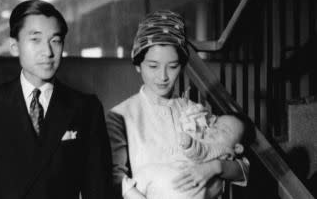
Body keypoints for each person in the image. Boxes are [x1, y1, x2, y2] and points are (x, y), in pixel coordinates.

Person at [0, 0, 112, 199]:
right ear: (14, 46)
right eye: (35, 39)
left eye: (55, 40)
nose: (48, 52)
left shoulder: (86, 108)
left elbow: (99, 191)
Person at [106, 10, 249, 199]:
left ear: (181, 66)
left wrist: (214, 167)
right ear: (138, 65)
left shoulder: (194, 111)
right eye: (153, 66)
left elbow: (243, 168)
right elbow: (115, 179)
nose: (163, 77)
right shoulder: (120, 116)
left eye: (172, 66)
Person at [133, 115, 246, 199]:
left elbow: (203, 152)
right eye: (215, 125)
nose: (215, 130)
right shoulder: (204, 136)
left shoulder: (222, 150)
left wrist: (190, 144)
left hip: (186, 185)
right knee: (146, 173)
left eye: (224, 131)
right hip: (176, 174)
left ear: (237, 148)